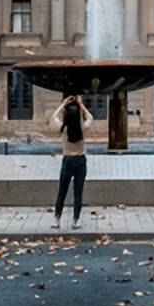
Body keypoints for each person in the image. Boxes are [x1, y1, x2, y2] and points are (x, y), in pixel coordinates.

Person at [51, 94, 92, 229]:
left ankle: (57, 219)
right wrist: (81, 105)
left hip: (67, 161)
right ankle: (75, 220)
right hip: (80, 161)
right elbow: (91, 118)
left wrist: (62, 105)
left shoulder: (64, 129)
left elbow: (53, 117)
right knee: (78, 193)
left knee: (62, 191)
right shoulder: (82, 128)